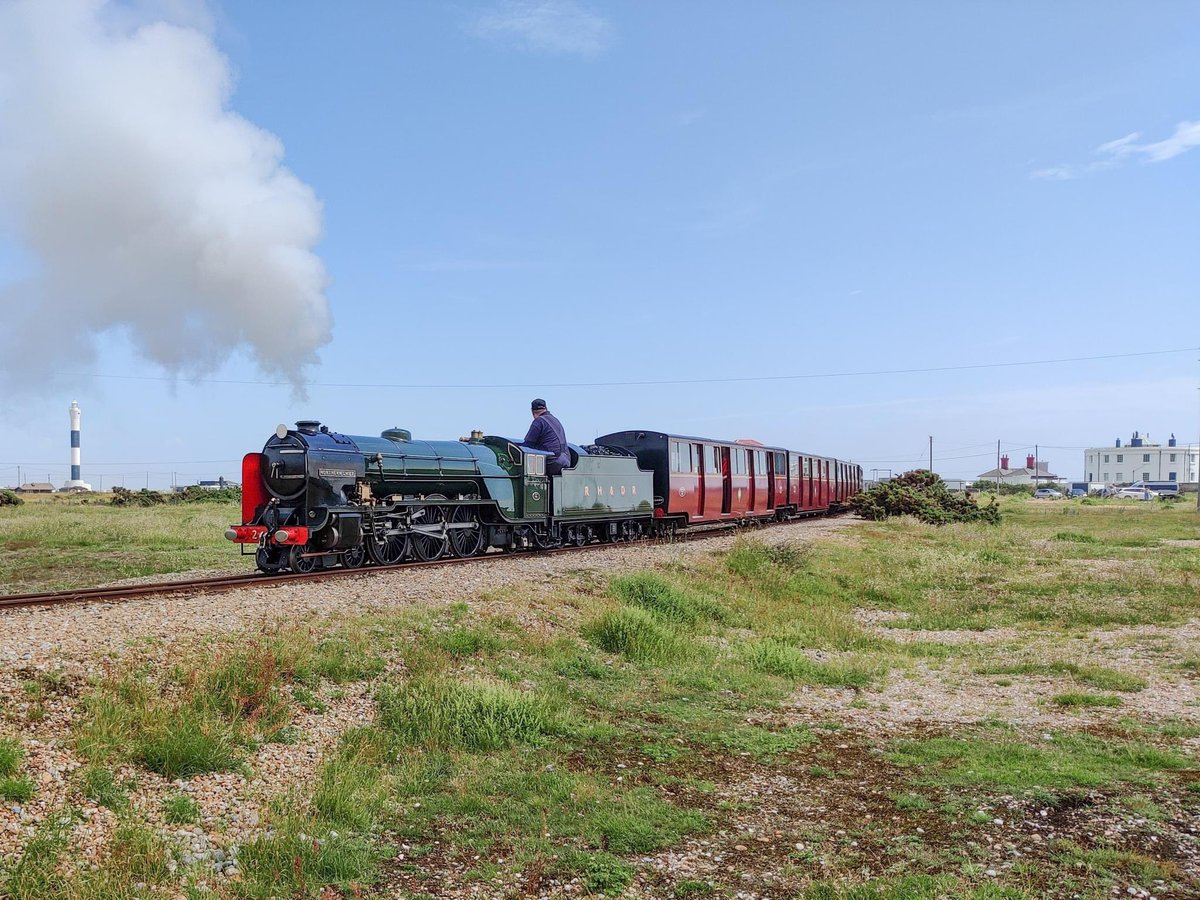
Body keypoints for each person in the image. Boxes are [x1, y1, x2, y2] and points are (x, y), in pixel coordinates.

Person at [524, 399, 570, 475]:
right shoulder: (556, 420)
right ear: (546, 408)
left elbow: (528, 444)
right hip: (566, 460)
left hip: (553, 463)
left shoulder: (539, 421)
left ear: (532, 411)